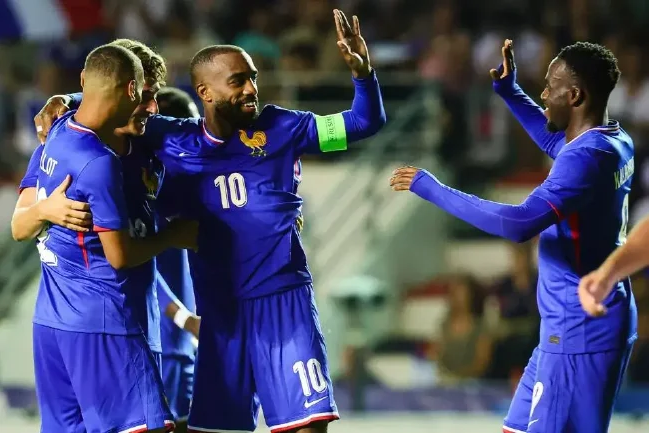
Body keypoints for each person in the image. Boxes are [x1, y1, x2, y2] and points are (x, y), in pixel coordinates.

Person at [35, 9, 385, 433]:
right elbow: (110, 104)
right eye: (238, 81)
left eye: (253, 78)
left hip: (284, 304)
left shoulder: (284, 127)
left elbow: (364, 121)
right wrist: (68, 100)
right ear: (205, 91)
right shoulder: (171, 139)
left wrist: (363, 74)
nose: (251, 89)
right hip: (220, 316)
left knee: (308, 426)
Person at [390, 40, 636, 433]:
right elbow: (556, 142)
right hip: (570, 328)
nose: (544, 94)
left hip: (577, 330)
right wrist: (510, 91)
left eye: (550, 87)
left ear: (574, 95)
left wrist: (431, 188)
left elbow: (519, 224)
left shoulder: (586, 159)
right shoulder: (613, 139)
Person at [14, 44, 197, 433]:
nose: (151, 108)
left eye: (155, 97)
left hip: (71, 320)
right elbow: (20, 227)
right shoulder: (90, 156)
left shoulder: (77, 132)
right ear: (127, 90)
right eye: (144, 95)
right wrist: (44, 210)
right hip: (108, 323)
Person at [155, 86, 202, 432]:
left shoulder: (187, 184)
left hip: (185, 339)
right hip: (168, 341)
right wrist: (184, 319)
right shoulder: (149, 188)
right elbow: (136, 266)